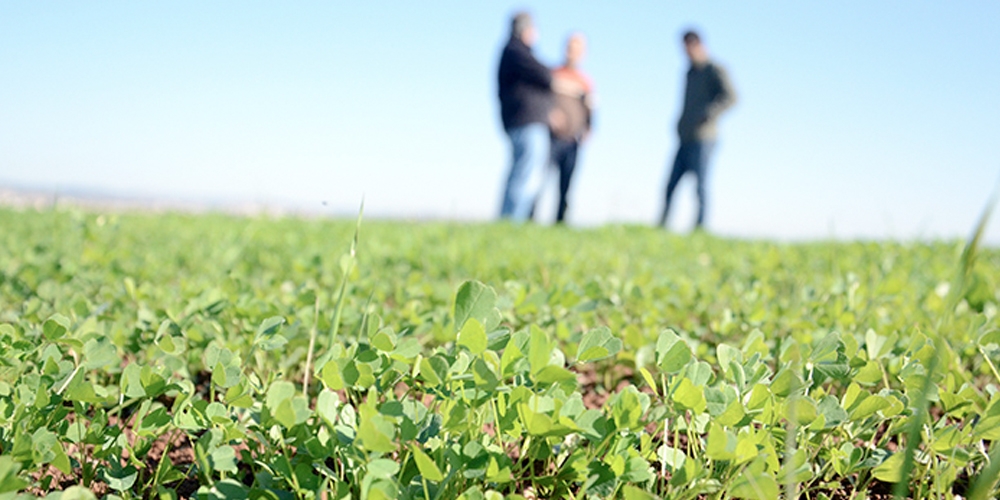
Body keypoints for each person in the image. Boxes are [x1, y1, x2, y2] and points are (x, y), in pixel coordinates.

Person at [658, 30, 736, 230]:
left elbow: (731, 97)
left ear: (698, 45)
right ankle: (662, 224)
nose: (686, 52)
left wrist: (709, 113)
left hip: (704, 137)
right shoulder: (689, 73)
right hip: (685, 137)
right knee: (670, 184)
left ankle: (700, 227)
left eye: (689, 47)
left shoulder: (714, 69)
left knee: (700, 185)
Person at [497, 12, 553, 221]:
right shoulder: (516, 51)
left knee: (523, 171)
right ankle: (512, 221)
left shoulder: (514, 52)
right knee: (526, 174)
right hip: (525, 121)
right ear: (526, 30)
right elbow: (546, 75)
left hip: (524, 121)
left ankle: (511, 221)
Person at [548, 33, 595, 224]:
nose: (572, 52)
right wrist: (550, 114)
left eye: (577, 49)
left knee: (566, 185)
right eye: (570, 47)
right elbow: (542, 101)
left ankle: (560, 221)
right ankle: (528, 219)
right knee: (540, 180)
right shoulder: (553, 74)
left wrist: (588, 129)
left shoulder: (585, 82)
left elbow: (591, 109)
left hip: (572, 140)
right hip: (551, 138)